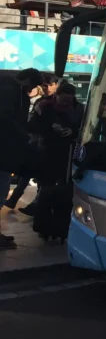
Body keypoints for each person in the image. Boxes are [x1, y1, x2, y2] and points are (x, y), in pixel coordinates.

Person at [29, 81, 82, 241]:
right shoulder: (44, 105)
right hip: (48, 151)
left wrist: (72, 132)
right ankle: (44, 226)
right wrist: (50, 127)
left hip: (68, 153)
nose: (65, 104)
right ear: (56, 95)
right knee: (46, 189)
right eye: (63, 101)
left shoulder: (79, 108)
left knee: (65, 191)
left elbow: (83, 127)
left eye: (68, 101)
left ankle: (60, 226)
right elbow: (31, 126)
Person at [0, 68, 43, 250]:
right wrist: (23, 134)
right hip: (4, 152)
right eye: (32, 85)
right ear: (26, 80)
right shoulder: (12, 92)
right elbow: (8, 120)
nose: (31, 89)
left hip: (5, 151)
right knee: (1, 190)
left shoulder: (8, 87)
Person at [5, 73, 58, 212]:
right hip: (27, 141)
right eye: (41, 86)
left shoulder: (45, 102)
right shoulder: (23, 96)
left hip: (37, 142)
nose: (44, 89)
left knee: (33, 174)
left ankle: (27, 202)